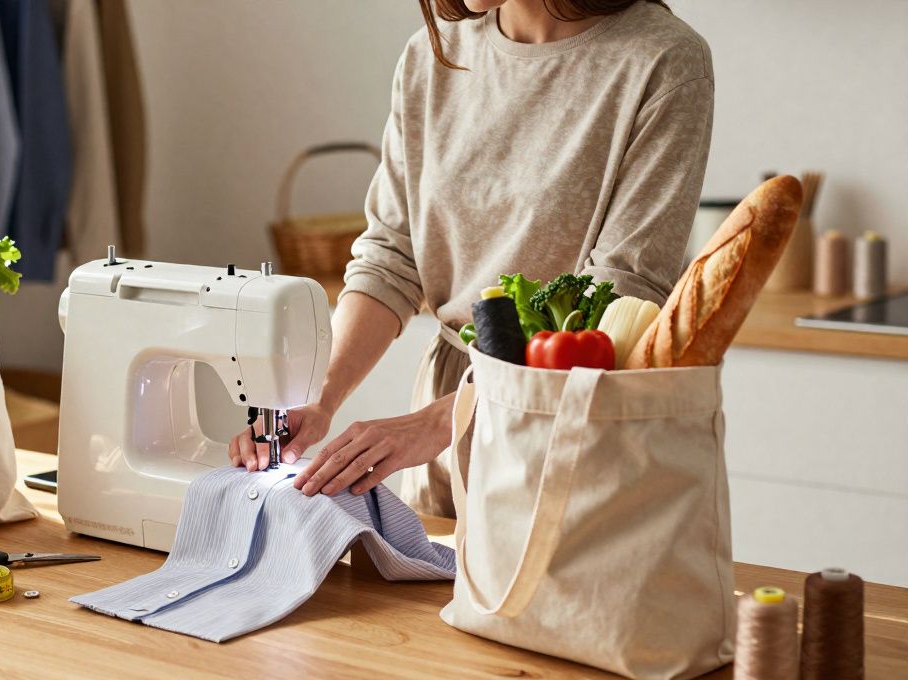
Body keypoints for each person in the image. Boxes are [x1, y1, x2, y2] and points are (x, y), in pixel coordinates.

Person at [229, 0, 713, 517]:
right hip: (446, 408)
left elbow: (619, 295)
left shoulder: (662, 59)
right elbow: (391, 257)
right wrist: (318, 396)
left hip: (569, 413)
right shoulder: (431, 56)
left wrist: (442, 421)